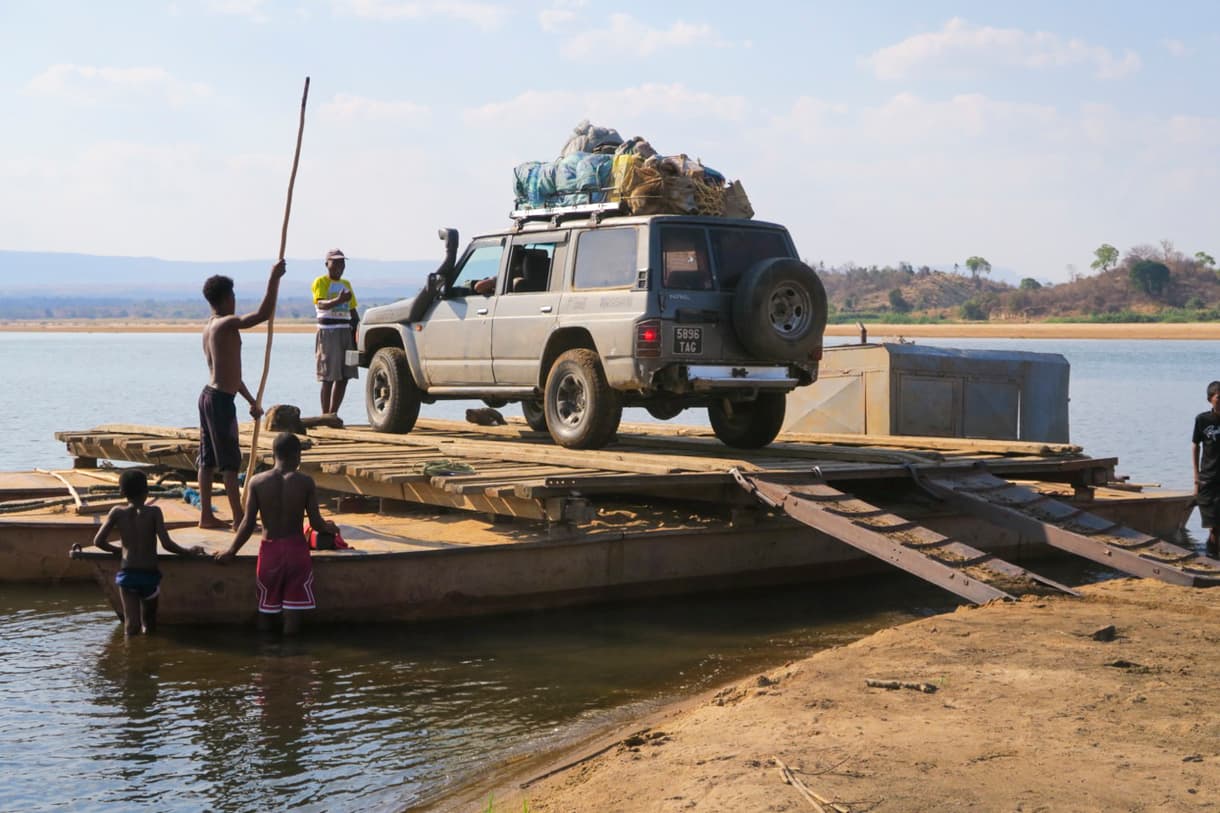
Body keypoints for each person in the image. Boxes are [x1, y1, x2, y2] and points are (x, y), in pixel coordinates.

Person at [215, 432, 339, 634]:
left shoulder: (257, 482)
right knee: (293, 610)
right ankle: (292, 656)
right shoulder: (305, 482)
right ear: (298, 456)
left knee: (266, 608)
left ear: (273, 454)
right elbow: (316, 522)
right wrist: (328, 528)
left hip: (270, 551)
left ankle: (267, 656)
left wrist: (231, 551)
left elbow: (247, 523)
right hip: (296, 551)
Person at [198, 261, 285, 529]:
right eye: (233, 296)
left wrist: (250, 401)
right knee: (228, 463)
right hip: (220, 401)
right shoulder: (225, 324)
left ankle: (206, 516)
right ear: (225, 299)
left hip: (211, 396)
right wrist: (273, 278)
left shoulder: (210, 326)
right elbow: (261, 315)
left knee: (208, 460)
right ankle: (238, 518)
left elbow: (230, 373)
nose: (235, 301)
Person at [92, 470, 207, 636]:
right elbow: (166, 544)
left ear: (122, 492)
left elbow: (99, 541)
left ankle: (129, 658)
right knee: (149, 624)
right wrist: (188, 552)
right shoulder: (154, 513)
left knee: (131, 626)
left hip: (128, 575)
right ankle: (148, 657)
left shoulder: (117, 512)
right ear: (146, 492)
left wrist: (120, 551)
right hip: (149, 575)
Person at [311, 249, 359, 416]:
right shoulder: (321, 282)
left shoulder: (346, 284)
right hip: (328, 332)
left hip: (345, 331)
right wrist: (338, 300)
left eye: (342, 262)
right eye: (335, 262)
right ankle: (325, 415)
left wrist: (357, 332)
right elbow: (321, 304)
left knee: (345, 376)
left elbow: (352, 310)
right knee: (328, 376)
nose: (340, 266)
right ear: (327, 264)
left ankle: (333, 414)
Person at [1192, 380, 1220, 557]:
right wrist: (1196, 478)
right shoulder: (1202, 420)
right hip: (1208, 478)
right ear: (1210, 399)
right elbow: (1195, 446)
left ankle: (1214, 555)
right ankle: (1212, 555)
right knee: (1213, 524)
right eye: (1219, 397)